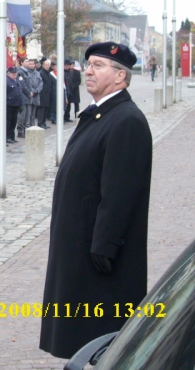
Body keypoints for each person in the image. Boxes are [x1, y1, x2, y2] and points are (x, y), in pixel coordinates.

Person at [40, 42, 153, 359]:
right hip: (80, 246)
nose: (88, 71)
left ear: (120, 76)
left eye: (98, 66)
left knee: (101, 339)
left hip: (98, 257)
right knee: (83, 339)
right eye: (88, 64)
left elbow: (120, 192)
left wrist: (104, 247)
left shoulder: (126, 120)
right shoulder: (100, 114)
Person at [16, 58, 34, 138]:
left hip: (28, 97)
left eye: (28, 61)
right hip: (24, 97)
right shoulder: (20, 72)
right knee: (22, 115)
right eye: (26, 62)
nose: (28, 63)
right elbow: (22, 85)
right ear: (21, 63)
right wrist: (28, 93)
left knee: (27, 115)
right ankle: (20, 131)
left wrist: (31, 91)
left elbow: (30, 84)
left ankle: (25, 130)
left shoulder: (27, 72)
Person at [6, 67, 22, 143]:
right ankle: (7, 137)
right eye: (12, 73)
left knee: (14, 122)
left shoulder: (16, 81)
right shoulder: (6, 81)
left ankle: (12, 137)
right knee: (8, 122)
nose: (14, 74)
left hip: (16, 104)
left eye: (15, 73)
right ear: (8, 73)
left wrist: (20, 104)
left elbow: (19, 92)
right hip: (9, 104)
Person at [37, 59, 52, 129]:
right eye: (46, 65)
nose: (47, 66)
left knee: (46, 109)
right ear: (43, 65)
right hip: (42, 94)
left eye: (48, 65)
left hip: (47, 94)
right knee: (42, 109)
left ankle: (43, 122)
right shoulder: (41, 73)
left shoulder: (48, 73)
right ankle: (40, 123)